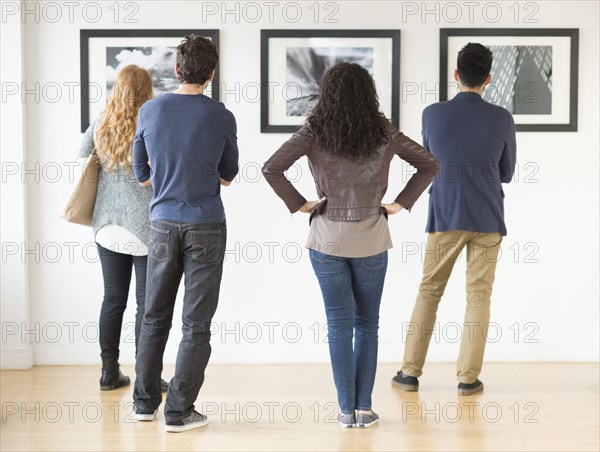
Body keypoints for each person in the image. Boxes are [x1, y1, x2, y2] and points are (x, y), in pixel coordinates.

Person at [263, 63, 439, 428]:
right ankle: (364, 409)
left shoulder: (314, 130)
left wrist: (300, 205)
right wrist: (400, 204)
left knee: (339, 325)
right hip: (373, 238)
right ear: (368, 94)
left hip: (326, 240)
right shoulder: (382, 131)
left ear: (327, 94)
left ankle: (346, 411)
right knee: (367, 325)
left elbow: (271, 168)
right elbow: (429, 164)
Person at [392, 43, 517, 395]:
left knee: (429, 291)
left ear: (456, 75)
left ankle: (409, 374)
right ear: (488, 79)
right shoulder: (503, 118)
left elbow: (431, 164)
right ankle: (467, 379)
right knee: (479, 296)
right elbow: (506, 173)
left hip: (445, 214)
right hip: (488, 218)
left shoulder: (432, 114)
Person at [132, 34, 239, 433]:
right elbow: (228, 176)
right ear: (210, 74)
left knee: (153, 316)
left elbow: (141, 174)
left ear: (177, 69)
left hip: (161, 223)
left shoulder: (150, 111)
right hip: (207, 224)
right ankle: (179, 411)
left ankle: (144, 404)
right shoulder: (220, 115)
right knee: (196, 323)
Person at [77, 64, 171, 391]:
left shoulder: (102, 120)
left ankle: (108, 372)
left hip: (107, 225)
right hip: (145, 229)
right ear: (147, 88)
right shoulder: (154, 121)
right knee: (147, 307)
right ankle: (147, 377)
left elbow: (81, 155)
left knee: (113, 300)